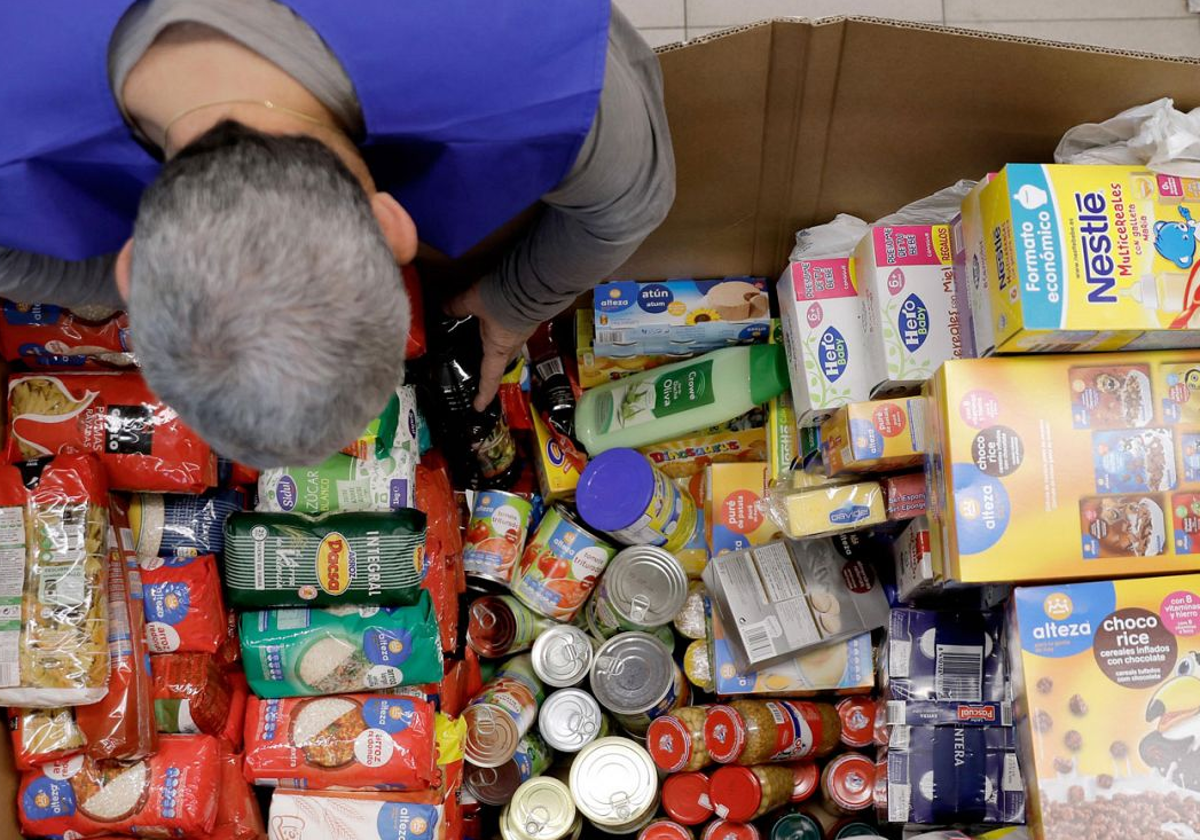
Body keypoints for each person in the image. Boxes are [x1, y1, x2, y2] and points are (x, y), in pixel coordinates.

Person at [0, 1, 675, 468]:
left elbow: (633, 197)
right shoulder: (523, 70)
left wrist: (514, 306)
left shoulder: (525, 57)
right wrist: (509, 304)